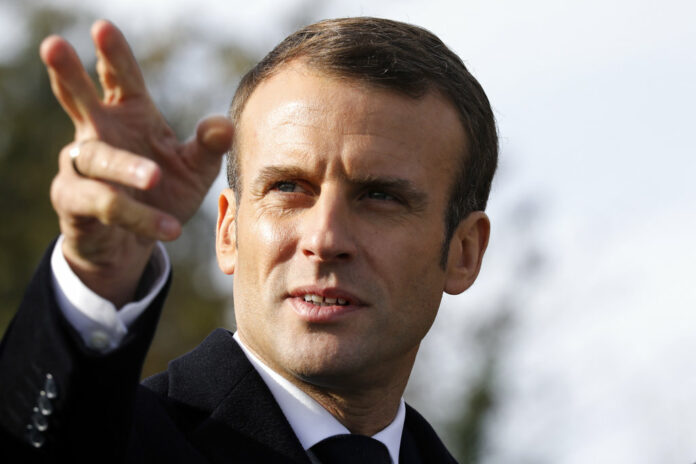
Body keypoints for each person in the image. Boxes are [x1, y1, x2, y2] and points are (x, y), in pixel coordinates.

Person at [0, 16, 497, 463]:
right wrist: (96, 280)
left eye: (379, 196)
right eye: (287, 187)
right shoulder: (125, 442)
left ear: (464, 252)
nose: (324, 239)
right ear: (228, 231)